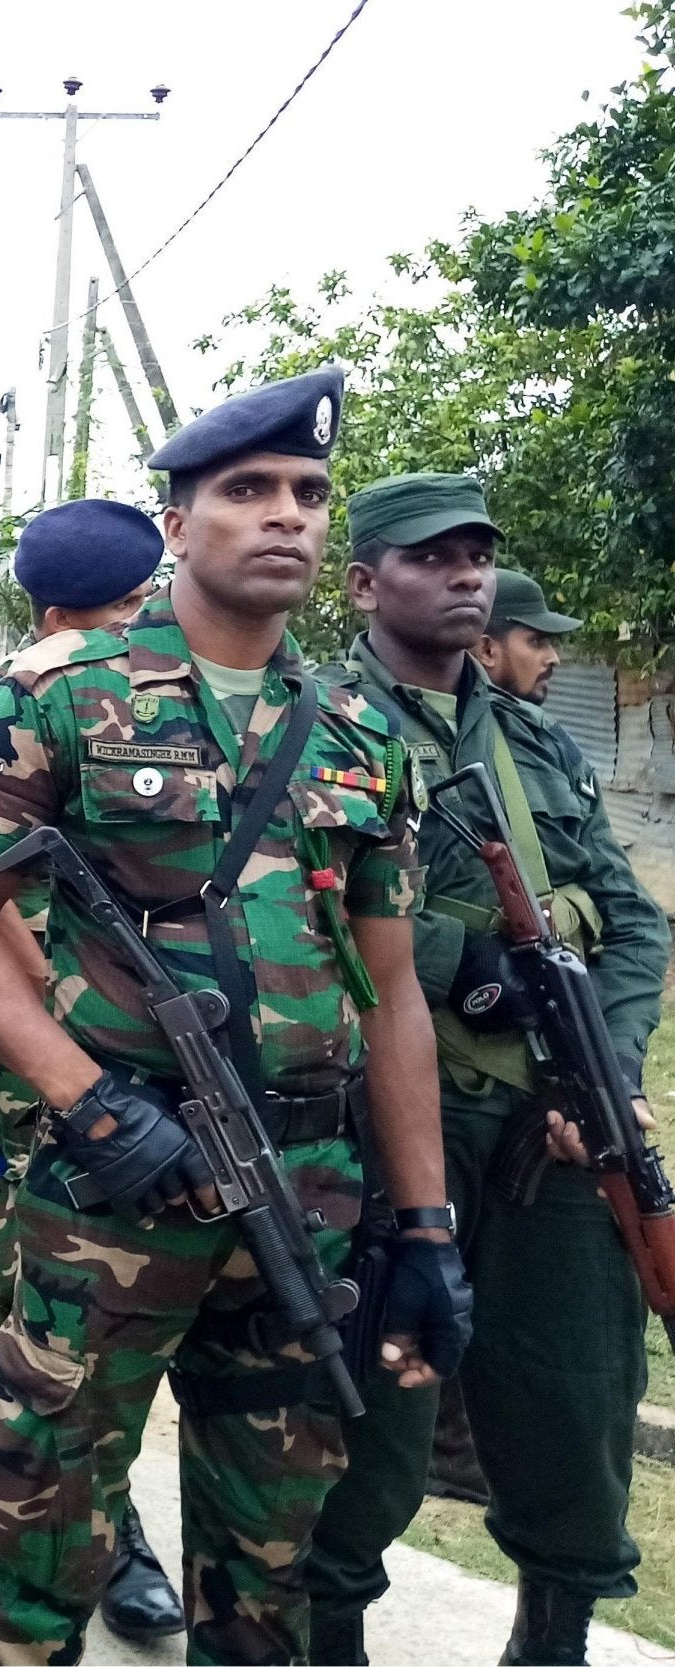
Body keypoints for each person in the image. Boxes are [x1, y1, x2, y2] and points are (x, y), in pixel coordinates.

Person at [0, 369, 474, 1665]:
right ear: (175, 521)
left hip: (308, 1184)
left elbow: (387, 987)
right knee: (43, 1527)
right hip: (116, 1183)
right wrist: (84, 1097)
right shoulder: (57, 689)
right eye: (246, 490)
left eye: (306, 494)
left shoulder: (356, 732)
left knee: (269, 1556)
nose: (283, 514)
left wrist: (427, 1219)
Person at [304, 474, 669, 1666]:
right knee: (376, 1404)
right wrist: (460, 958)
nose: (463, 572)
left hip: (550, 1122)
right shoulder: (310, 725)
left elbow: (629, 917)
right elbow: (288, 899)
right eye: (429, 555)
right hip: (383, 1120)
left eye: (475, 552)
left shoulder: (531, 739)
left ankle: (549, 1637)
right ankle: (333, 1626)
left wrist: (599, 1073)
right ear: (362, 583)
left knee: (574, 1389)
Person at [0, 497, 180, 1641]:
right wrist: (61, 1031)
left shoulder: (15, 680)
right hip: (53, 1032)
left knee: (9, 1226)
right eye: (138, 602)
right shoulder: (41, 694)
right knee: (71, 1263)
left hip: (48, 1026)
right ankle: (98, 1523)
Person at [474, 567, 583, 705]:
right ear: (487, 651)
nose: (554, 659)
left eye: (549, 643)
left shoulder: (528, 724)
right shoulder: (446, 725)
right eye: (536, 642)